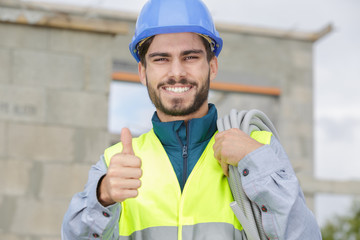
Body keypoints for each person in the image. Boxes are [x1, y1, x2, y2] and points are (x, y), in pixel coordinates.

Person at [61, 0, 321, 239]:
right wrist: (103, 197)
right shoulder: (114, 164)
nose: (176, 72)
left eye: (191, 57)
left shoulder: (257, 148)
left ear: (213, 66)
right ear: (143, 72)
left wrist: (257, 163)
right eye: (161, 59)